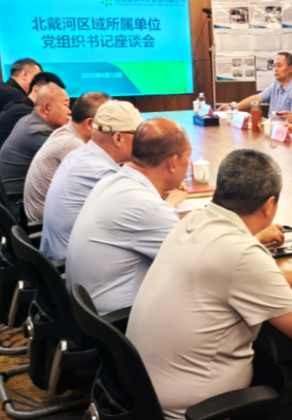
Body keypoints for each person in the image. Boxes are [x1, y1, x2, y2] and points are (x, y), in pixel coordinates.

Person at [126, 149, 292, 420]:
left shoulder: (195, 220)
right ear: (269, 205)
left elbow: (237, 279)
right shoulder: (241, 253)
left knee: (269, 374)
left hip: (144, 394)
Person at [65, 118, 190, 315]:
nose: (188, 164)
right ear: (173, 162)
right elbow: (195, 267)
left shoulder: (111, 181)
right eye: (188, 157)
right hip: (118, 321)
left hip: (86, 313)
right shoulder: (149, 208)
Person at [41, 100, 143, 262]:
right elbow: (143, 220)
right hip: (73, 264)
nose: (140, 143)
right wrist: (172, 198)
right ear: (118, 138)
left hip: (59, 257)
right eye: (137, 136)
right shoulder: (102, 173)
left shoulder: (79, 155)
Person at [24, 92, 110, 222]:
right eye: (109, 123)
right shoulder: (72, 144)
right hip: (43, 220)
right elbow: (106, 184)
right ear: (90, 124)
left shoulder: (66, 131)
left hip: (46, 215)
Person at [0, 84, 70, 198]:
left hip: (11, 195)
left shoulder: (28, 120)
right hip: (16, 200)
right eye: (66, 105)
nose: (69, 112)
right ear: (46, 108)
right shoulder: (38, 131)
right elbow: (72, 158)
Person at [0, 72, 65, 163]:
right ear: (35, 90)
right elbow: (58, 147)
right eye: (52, 94)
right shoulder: (27, 114)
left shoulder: (18, 105)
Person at [221, 52, 292, 115]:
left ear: (290, 69)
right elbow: (257, 98)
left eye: (279, 66)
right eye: (274, 66)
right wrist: (234, 107)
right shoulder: (276, 85)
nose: (275, 69)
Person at [0, 58, 41, 124]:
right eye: (37, 78)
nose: (38, 83)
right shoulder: (15, 96)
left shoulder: (2, 88)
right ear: (24, 74)